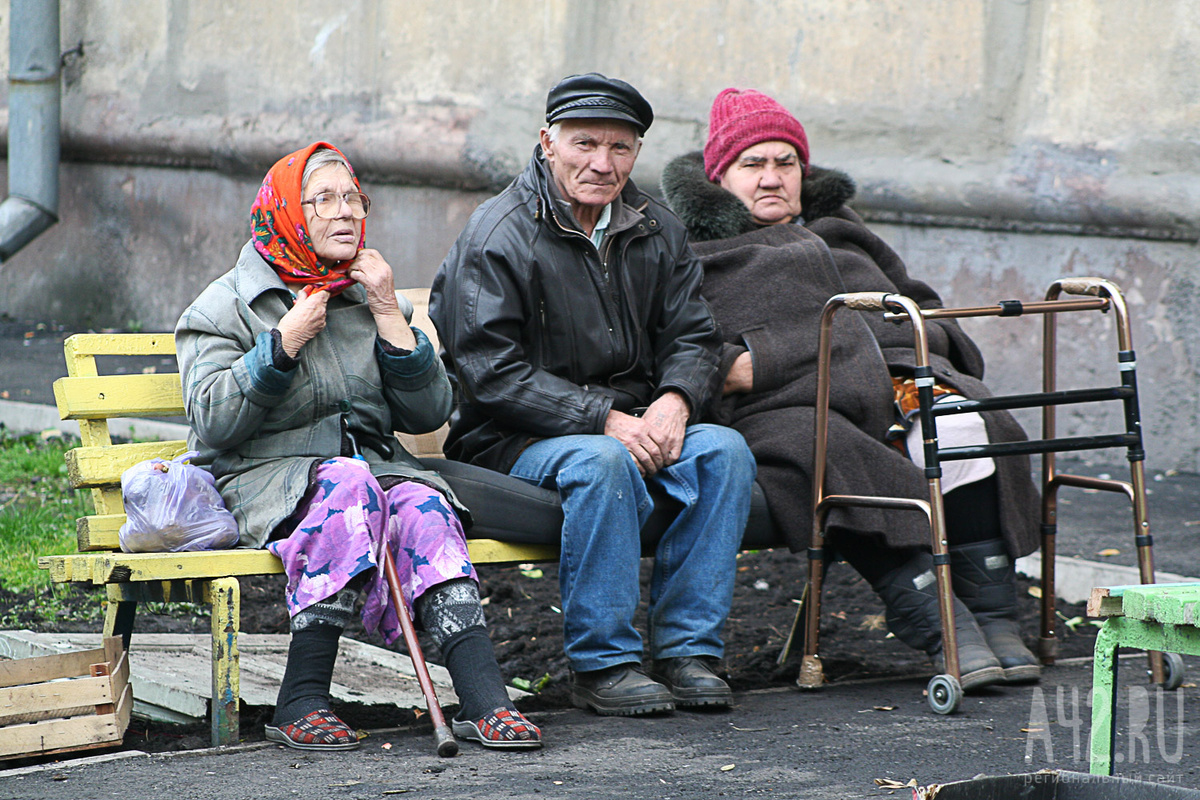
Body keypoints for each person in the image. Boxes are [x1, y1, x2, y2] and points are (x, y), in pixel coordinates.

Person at [660, 88, 1043, 689]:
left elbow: (925, 307)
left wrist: (910, 354)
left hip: (895, 387)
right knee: (830, 451)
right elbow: (697, 354)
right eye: (751, 164)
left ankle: (995, 618)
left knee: (970, 426)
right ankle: (945, 626)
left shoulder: (842, 230)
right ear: (719, 176)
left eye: (784, 162)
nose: (771, 178)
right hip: (780, 410)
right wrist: (777, 360)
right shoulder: (690, 248)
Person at [175, 142, 541, 751]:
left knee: (425, 505)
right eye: (323, 200)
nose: (345, 213)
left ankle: (483, 698)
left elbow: (429, 412)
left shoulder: (366, 296)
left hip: (368, 476)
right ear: (288, 211)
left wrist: (391, 318)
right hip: (262, 479)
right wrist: (280, 346)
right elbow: (213, 423)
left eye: (353, 198)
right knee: (347, 485)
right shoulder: (228, 306)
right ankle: (302, 700)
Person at [430, 74, 757, 716]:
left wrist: (677, 401)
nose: (602, 165)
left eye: (621, 148)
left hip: (631, 423)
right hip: (513, 440)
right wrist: (601, 418)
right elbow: (488, 373)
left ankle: (690, 652)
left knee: (724, 451)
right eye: (584, 144)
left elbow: (696, 336)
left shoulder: (657, 227)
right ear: (547, 143)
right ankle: (602, 664)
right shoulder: (498, 233)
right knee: (601, 461)